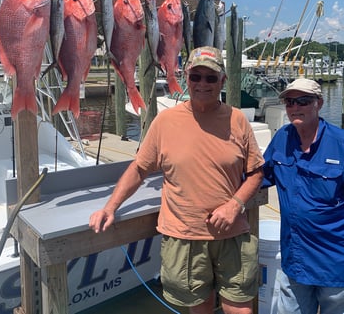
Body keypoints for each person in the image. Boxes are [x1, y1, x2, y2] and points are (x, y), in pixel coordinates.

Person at [89, 46, 264, 314]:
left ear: (223, 81)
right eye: (196, 76)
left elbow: (256, 172)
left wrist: (234, 205)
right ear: (185, 77)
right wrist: (110, 207)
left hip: (232, 233)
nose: (202, 84)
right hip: (184, 235)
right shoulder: (164, 121)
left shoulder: (238, 120)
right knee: (199, 308)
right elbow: (139, 169)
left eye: (210, 78)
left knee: (240, 310)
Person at [263, 78, 344, 314]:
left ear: (319, 103)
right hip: (295, 260)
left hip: (335, 264)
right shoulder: (282, 137)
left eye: (303, 101)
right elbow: (260, 176)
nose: (295, 107)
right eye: (290, 102)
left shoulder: (340, 143)